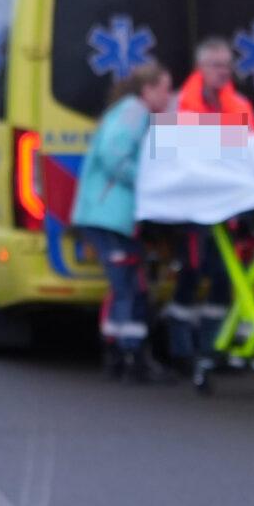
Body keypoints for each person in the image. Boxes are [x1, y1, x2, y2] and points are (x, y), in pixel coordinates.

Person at [162, 38, 254, 378]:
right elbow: (168, 149)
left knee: (222, 278)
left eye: (227, 65)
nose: (223, 71)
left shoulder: (240, 104)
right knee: (190, 272)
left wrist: (208, 140)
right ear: (200, 68)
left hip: (229, 208)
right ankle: (180, 349)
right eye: (216, 65)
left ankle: (212, 346)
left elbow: (250, 152)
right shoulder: (179, 105)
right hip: (191, 209)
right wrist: (224, 139)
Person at [71, 62, 174, 382]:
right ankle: (133, 357)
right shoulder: (134, 112)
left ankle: (118, 353)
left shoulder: (133, 112)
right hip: (109, 214)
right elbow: (114, 154)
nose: (169, 97)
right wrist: (147, 182)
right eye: (165, 89)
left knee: (125, 285)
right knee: (130, 286)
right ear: (148, 90)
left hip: (107, 214)